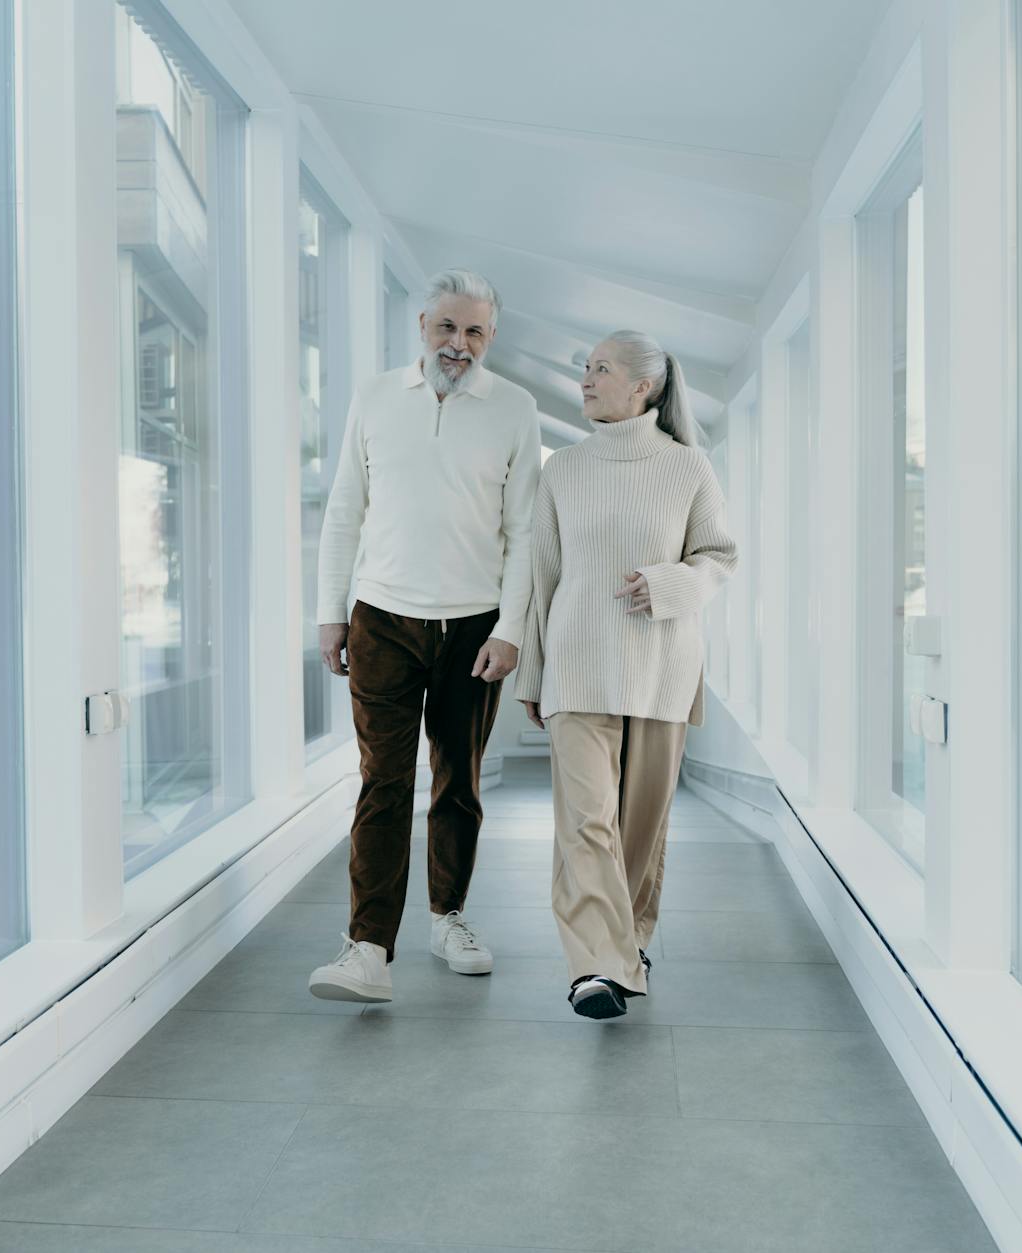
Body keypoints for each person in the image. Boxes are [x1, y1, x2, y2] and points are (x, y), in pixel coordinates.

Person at [307, 268, 541, 1003]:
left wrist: (510, 630)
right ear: (422, 326)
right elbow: (344, 506)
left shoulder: (516, 408)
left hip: (474, 627)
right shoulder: (376, 397)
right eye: (447, 327)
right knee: (382, 780)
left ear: (491, 337)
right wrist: (330, 610)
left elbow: (526, 531)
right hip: (382, 617)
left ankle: (449, 918)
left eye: (474, 331)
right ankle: (368, 946)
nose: (459, 344)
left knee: (458, 783)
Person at [516, 330, 738, 1019]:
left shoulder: (689, 466)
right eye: (584, 368)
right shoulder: (563, 470)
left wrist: (671, 584)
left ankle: (630, 943)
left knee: (639, 828)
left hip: (662, 669)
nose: (585, 379)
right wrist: (532, 676)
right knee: (586, 824)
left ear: (645, 385)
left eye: (600, 369)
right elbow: (540, 577)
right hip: (577, 667)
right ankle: (597, 968)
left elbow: (718, 556)